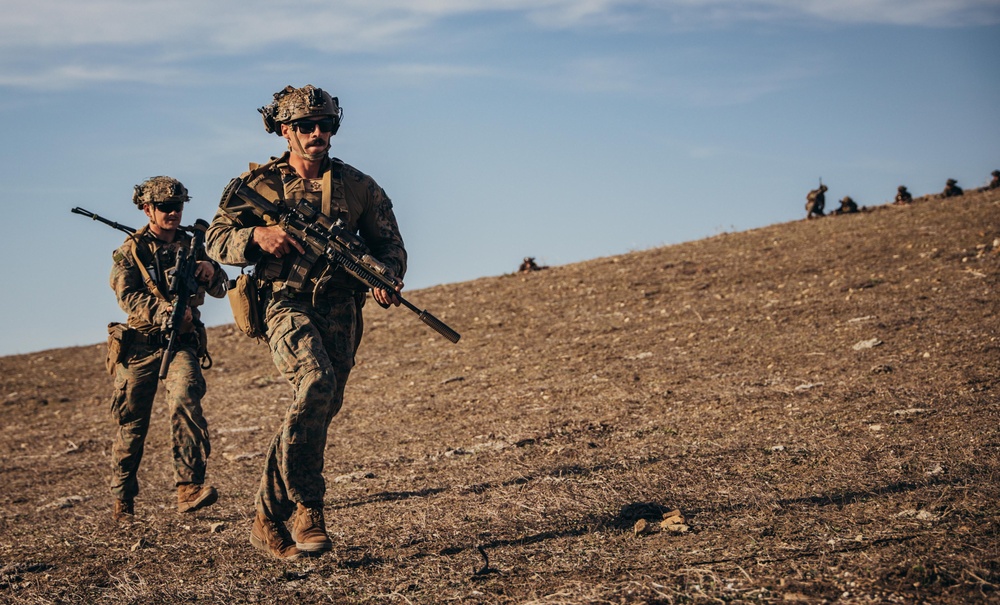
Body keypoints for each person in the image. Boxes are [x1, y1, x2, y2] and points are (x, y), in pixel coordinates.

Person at [205, 85, 407, 560]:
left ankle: (263, 517)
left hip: (340, 309)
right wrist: (258, 235)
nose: (318, 133)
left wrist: (386, 277)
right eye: (305, 126)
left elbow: (390, 246)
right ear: (283, 130)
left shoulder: (360, 186)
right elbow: (215, 239)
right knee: (314, 383)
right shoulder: (258, 186)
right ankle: (307, 507)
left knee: (317, 408)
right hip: (283, 303)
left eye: (326, 125)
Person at [108, 176, 227, 521]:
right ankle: (123, 499)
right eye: (164, 207)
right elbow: (126, 296)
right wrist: (165, 312)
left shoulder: (194, 246)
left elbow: (221, 288)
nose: (173, 213)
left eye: (177, 206)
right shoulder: (131, 251)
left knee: (187, 396)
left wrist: (210, 270)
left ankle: (189, 487)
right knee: (132, 424)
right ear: (147, 209)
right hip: (140, 346)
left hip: (182, 344)